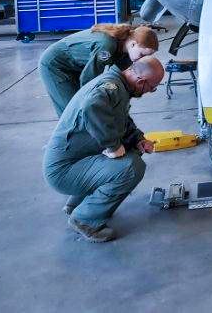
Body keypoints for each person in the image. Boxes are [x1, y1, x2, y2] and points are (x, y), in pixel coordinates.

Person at [43, 56, 165, 242]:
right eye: (151, 88)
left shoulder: (118, 85)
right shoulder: (111, 88)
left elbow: (119, 119)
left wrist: (138, 139)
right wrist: (113, 145)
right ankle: (85, 220)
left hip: (75, 164)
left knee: (132, 152)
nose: (150, 91)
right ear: (141, 81)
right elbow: (91, 106)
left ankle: (79, 203)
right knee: (131, 167)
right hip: (64, 172)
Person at [39, 23, 159, 116]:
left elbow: (121, 80)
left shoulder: (127, 53)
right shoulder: (106, 46)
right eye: (142, 54)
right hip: (55, 65)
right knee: (73, 111)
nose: (142, 59)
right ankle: (61, 146)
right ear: (133, 44)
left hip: (77, 66)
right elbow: (88, 81)